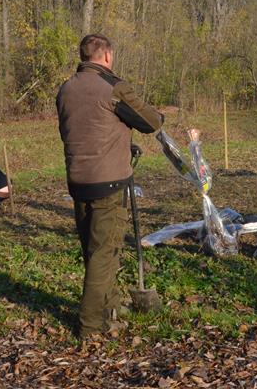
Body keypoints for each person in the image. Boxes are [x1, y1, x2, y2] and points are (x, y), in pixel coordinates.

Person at [57, 34, 164, 339]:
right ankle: (91, 325)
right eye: (111, 56)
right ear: (105, 56)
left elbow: (77, 128)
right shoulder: (113, 86)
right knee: (105, 254)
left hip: (77, 181)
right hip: (109, 182)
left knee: (95, 252)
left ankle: (110, 307)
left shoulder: (66, 89)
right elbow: (151, 121)